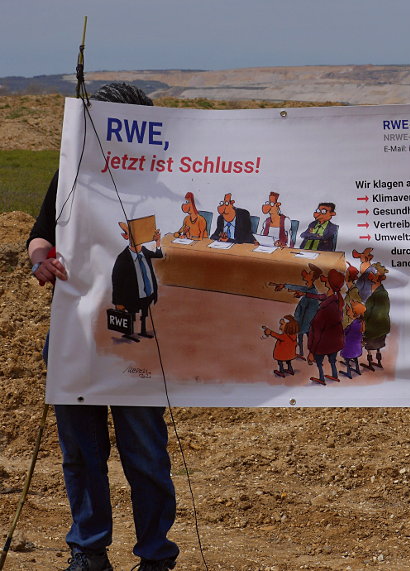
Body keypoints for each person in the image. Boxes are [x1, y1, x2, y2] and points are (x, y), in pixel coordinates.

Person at [27, 82, 178, 571]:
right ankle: (88, 552)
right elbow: (41, 234)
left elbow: (164, 248)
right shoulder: (73, 171)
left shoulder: (158, 180)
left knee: (146, 454)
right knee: (81, 453)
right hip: (74, 333)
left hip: (134, 345)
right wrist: (40, 261)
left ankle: (155, 556)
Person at [111, 221, 162, 341]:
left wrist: (157, 242)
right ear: (126, 236)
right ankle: (130, 332)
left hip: (147, 292)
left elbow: (158, 255)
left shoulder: (144, 251)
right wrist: (117, 301)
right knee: (132, 312)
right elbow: (116, 280)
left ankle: (143, 330)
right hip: (132, 294)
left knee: (144, 312)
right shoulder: (123, 258)